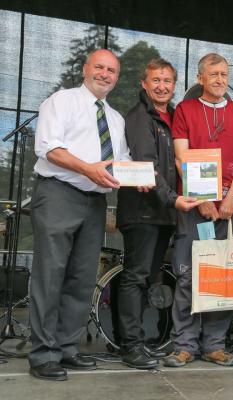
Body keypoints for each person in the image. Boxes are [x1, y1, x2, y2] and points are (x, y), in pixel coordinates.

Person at [28, 49, 130, 381]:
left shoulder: (116, 119)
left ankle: (67, 348)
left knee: (82, 277)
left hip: (95, 202)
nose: (105, 74)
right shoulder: (62, 101)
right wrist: (87, 169)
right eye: (99, 67)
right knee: (50, 275)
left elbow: (122, 164)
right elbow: (48, 147)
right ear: (85, 69)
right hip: (59, 193)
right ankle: (43, 354)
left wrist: (139, 179)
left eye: (111, 70)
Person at [163, 53, 233, 368]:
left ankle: (214, 345)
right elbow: (180, 156)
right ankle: (184, 345)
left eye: (224, 74)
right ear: (200, 78)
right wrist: (202, 199)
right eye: (213, 74)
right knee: (188, 276)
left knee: (223, 277)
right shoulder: (185, 110)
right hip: (193, 208)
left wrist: (231, 198)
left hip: (230, 209)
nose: (220, 79)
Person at [116, 58, 202, 369]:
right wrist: (173, 198)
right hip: (143, 211)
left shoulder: (175, 115)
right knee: (135, 277)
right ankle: (131, 345)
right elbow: (148, 164)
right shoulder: (140, 117)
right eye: (156, 80)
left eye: (167, 81)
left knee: (145, 278)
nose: (162, 86)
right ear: (144, 83)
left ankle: (133, 342)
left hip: (163, 212)